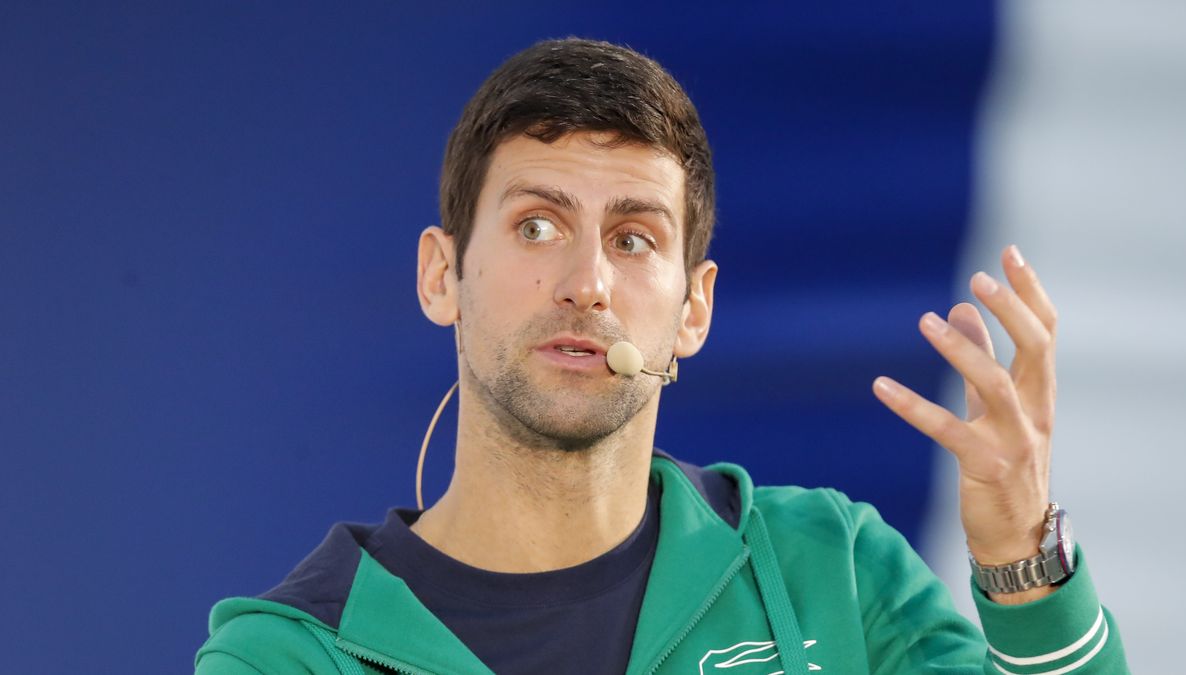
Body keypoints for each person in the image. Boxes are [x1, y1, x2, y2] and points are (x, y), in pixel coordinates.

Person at [195, 38, 1128, 674]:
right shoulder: (292, 655)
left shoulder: (831, 570)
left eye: (634, 238)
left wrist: (1022, 557)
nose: (587, 281)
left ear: (695, 308)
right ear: (443, 276)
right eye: (535, 224)